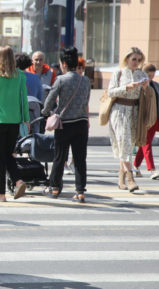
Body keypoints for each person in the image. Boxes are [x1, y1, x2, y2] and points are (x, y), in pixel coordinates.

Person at [41, 47, 91, 202]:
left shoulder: (61, 80)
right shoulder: (86, 80)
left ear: (63, 64)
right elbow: (86, 101)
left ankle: (54, 188)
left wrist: (45, 112)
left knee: (59, 157)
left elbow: (50, 100)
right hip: (82, 123)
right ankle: (80, 191)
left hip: (65, 125)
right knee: (80, 159)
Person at [0, 46, 29, 202]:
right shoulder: (20, 76)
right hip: (14, 122)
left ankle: (0, 194)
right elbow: (24, 100)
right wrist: (26, 120)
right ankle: (18, 180)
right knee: (8, 155)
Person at [107, 47, 155, 192]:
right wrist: (126, 87)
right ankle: (130, 178)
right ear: (127, 59)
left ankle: (121, 176)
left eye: (139, 59)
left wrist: (146, 88)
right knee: (124, 142)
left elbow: (149, 96)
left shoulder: (141, 74)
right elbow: (110, 92)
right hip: (119, 111)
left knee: (129, 145)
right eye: (134, 59)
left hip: (135, 112)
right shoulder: (118, 73)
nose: (136, 62)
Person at [133, 63, 159, 179]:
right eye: (148, 75)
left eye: (153, 75)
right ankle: (152, 170)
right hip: (142, 120)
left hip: (155, 120)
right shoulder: (138, 86)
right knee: (146, 144)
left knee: (145, 144)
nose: (151, 78)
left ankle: (135, 166)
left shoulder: (156, 86)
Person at [64, 56, 86, 175]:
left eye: (82, 68)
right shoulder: (65, 80)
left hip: (80, 117)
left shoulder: (84, 81)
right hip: (67, 117)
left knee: (78, 146)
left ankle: (73, 162)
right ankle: (64, 164)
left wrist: (87, 118)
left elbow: (86, 102)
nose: (80, 70)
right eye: (78, 67)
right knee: (65, 144)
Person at [15, 53, 43, 134]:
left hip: (17, 113)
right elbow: (39, 97)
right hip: (33, 113)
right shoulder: (35, 77)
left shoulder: (13, 78)